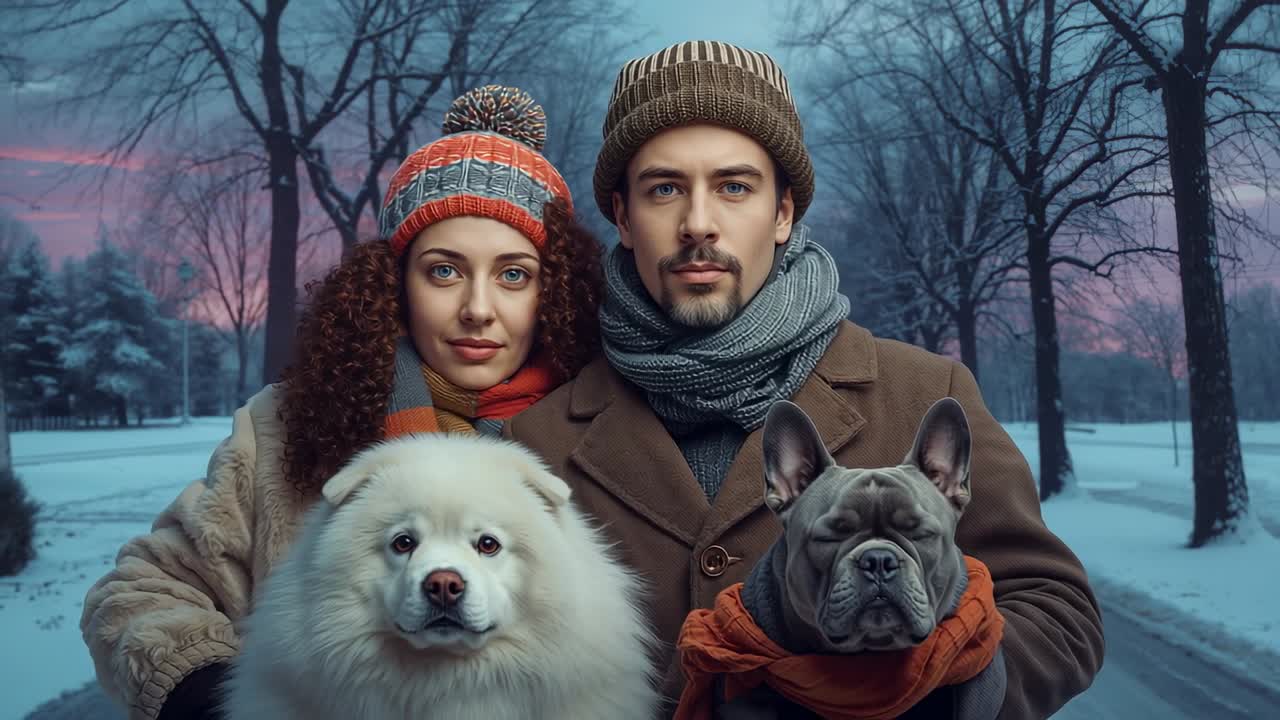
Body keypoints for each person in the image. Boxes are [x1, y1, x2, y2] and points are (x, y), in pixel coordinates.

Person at [505, 41, 1104, 719]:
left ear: (784, 212)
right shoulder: (538, 439)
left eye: (735, 186)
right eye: (665, 188)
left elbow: (1057, 611)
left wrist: (935, 696)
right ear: (622, 216)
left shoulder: (926, 390)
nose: (698, 223)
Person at [79, 85, 604, 720]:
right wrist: (210, 694)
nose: (477, 307)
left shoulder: (600, 429)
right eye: (444, 270)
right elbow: (142, 590)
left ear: (555, 293)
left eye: (513, 274)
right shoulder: (284, 428)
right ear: (393, 283)